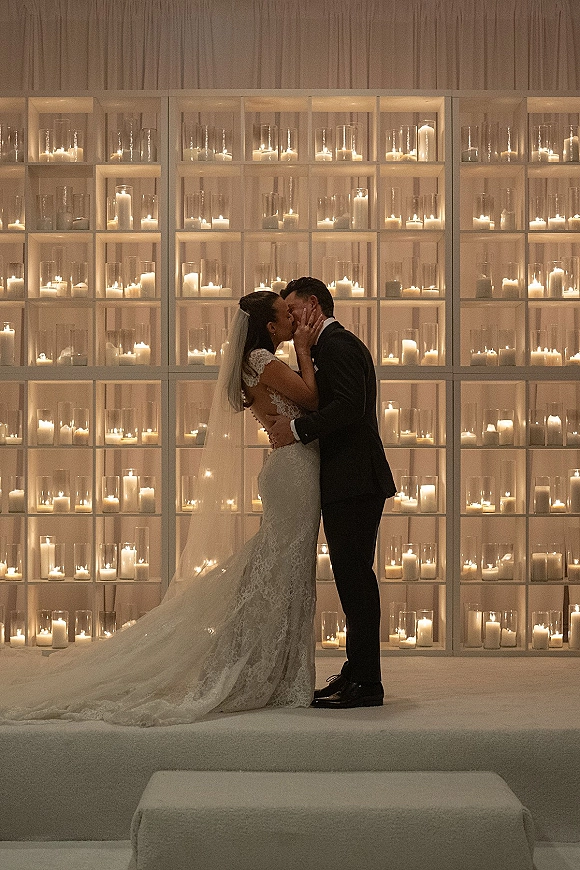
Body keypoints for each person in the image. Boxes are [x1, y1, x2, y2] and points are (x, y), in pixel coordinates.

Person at [0, 291, 324, 726]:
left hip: (290, 470)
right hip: (292, 472)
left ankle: (263, 665)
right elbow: (312, 400)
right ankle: (255, 667)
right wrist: (304, 350)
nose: (293, 321)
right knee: (282, 571)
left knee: (279, 570)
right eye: (286, 315)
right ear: (269, 326)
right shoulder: (264, 359)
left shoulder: (256, 361)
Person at [270, 276, 396, 709]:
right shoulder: (327, 346)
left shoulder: (338, 345)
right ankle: (356, 671)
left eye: (292, 310)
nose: (290, 320)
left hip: (356, 481)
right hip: (349, 481)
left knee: (355, 580)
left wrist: (296, 429)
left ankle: (368, 682)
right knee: (351, 579)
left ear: (313, 305)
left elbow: (348, 407)